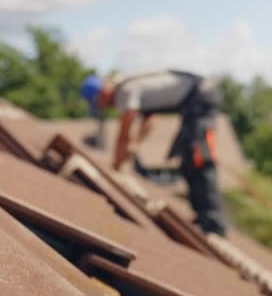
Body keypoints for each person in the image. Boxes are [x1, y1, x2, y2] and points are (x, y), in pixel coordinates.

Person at [84, 70, 226, 235]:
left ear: (103, 92)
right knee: (187, 158)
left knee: (198, 157)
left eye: (100, 102)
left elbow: (123, 135)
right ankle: (202, 217)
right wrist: (136, 144)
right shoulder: (130, 88)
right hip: (194, 100)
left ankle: (213, 224)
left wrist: (115, 169)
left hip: (201, 95)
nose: (105, 107)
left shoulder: (125, 91)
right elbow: (151, 119)